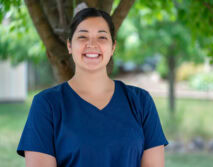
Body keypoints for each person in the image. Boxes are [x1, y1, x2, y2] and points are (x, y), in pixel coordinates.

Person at [17, 7, 168, 167]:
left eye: (102, 37)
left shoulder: (141, 102)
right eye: (82, 37)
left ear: (113, 47)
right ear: (69, 45)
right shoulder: (47, 105)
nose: (92, 44)